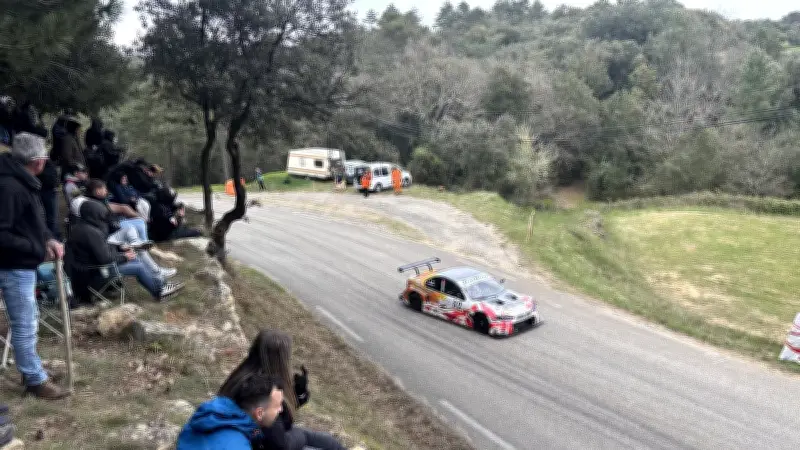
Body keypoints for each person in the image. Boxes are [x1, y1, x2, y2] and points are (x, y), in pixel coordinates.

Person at [0, 132, 70, 399]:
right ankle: (34, 380)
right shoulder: (9, 187)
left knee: (27, 321)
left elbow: (31, 223)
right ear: (38, 162)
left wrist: (49, 239)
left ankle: (33, 373)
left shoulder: (22, 182)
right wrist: (37, 249)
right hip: (12, 266)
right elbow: (2, 233)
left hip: (20, 263)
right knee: (24, 324)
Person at [218, 329, 346, 450]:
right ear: (281, 359)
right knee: (328, 445)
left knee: (329, 441)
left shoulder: (242, 376)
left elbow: (280, 414)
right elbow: (280, 445)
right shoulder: (262, 391)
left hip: (261, 439)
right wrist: (303, 436)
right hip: (265, 444)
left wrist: (299, 394)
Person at [65, 196, 184, 303]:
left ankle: (162, 285)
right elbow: (104, 258)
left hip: (91, 271)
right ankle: (159, 291)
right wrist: (124, 257)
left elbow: (99, 249)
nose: (103, 218)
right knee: (138, 267)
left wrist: (119, 247)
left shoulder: (81, 228)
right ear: (93, 214)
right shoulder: (90, 232)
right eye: (100, 215)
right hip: (94, 275)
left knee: (136, 259)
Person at [177, 371, 285, 449]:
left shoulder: (212, 415)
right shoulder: (237, 445)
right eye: (278, 406)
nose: (281, 409)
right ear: (260, 413)